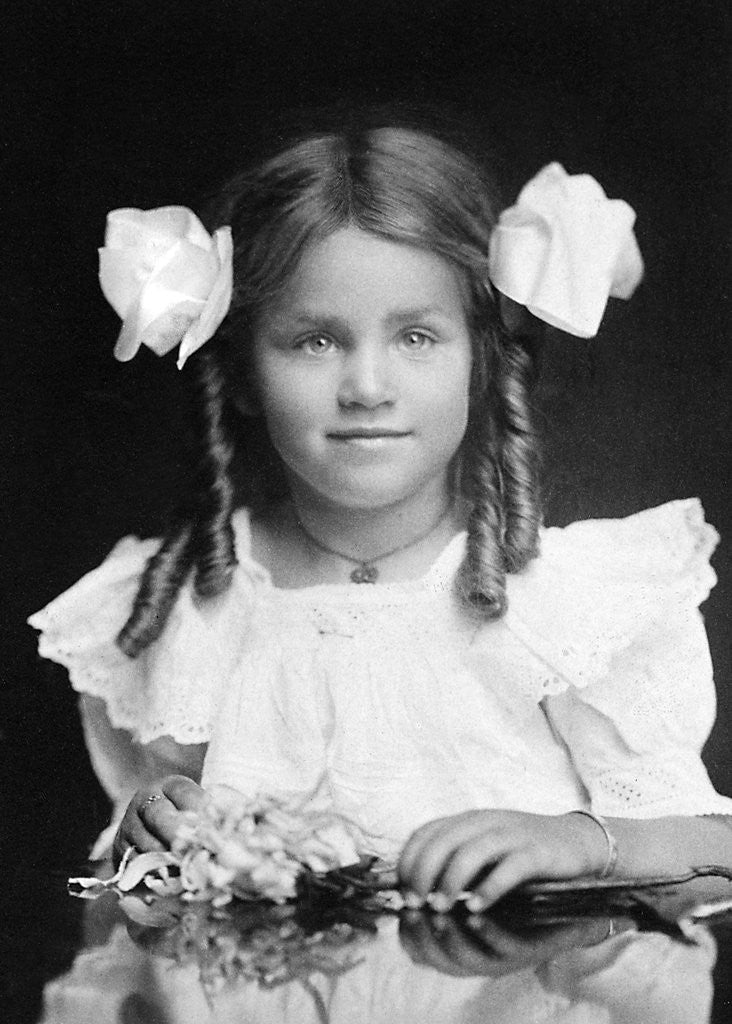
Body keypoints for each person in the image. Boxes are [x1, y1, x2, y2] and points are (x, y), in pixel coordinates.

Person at [29, 117, 732, 915]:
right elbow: (136, 886)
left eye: (418, 337)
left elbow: (716, 855)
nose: (368, 385)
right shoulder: (190, 608)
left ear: (481, 359)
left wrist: (585, 842)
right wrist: (147, 836)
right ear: (245, 373)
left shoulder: (564, 607)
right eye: (317, 341)